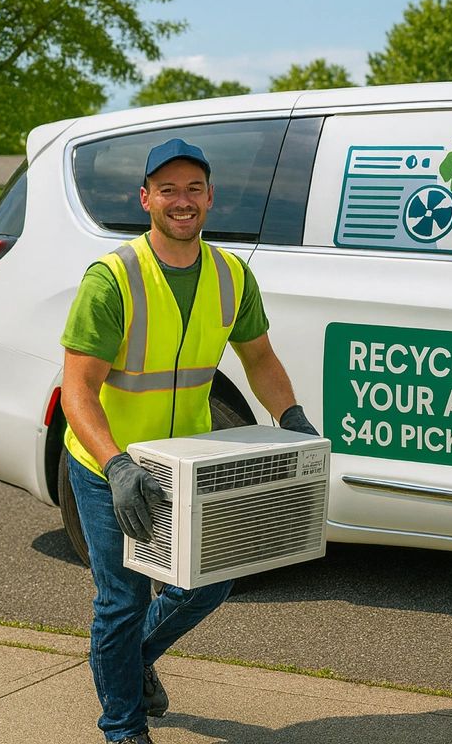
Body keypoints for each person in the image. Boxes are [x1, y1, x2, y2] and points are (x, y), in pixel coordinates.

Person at [60, 138, 319, 744]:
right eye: (168, 189)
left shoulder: (231, 275)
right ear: (145, 198)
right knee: (121, 600)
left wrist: (293, 417)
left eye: (194, 189)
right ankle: (123, 728)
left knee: (210, 583)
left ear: (210, 199)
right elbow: (78, 391)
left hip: (186, 464)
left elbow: (259, 358)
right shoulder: (113, 279)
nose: (183, 200)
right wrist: (117, 465)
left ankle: (126, 661)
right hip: (108, 465)